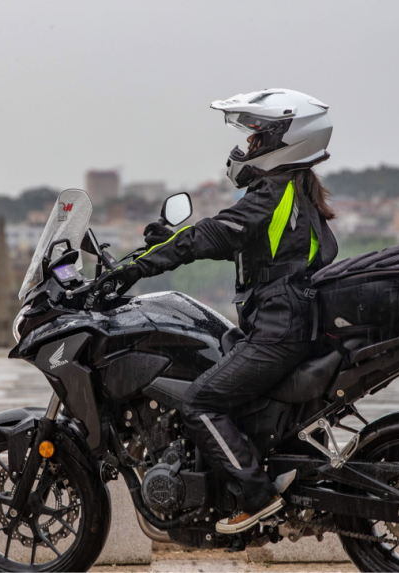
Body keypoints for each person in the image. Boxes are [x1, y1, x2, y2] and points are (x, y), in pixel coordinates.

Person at [110, 89, 338, 534]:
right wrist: (166, 243)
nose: (247, 147)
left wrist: (143, 263)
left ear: (284, 141)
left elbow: (215, 234)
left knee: (199, 403)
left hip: (278, 330)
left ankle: (256, 495)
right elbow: (238, 241)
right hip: (287, 325)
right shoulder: (293, 191)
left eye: (256, 139)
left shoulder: (273, 192)